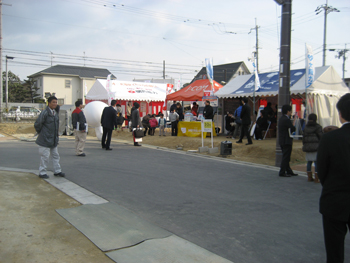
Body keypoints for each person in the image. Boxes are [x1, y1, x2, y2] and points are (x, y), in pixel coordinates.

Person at [317, 93, 350, 263]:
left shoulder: (330, 138)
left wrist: (330, 184)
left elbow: (321, 170)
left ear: (340, 114)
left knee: (335, 252)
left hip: (334, 200)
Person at [34, 96, 65, 179]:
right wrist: (42, 133)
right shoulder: (45, 113)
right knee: (45, 156)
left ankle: (57, 171)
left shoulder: (55, 113)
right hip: (45, 140)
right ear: (49, 103)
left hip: (53, 140)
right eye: (53, 102)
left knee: (56, 156)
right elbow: (37, 124)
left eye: (56, 102)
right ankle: (42, 172)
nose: (55, 104)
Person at [278, 104, 298, 177]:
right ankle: (282, 171)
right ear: (288, 111)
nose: (291, 112)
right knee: (286, 157)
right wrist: (293, 125)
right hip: (286, 140)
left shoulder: (281, 118)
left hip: (282, 140)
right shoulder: (286, 120)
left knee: (285, 156)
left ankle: (288, 170)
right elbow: (292, 128)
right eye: (290, 111)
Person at [302, 113, 323, 182]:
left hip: (308, 147)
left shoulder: (306, 127)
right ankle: (317, 178)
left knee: (309, 162)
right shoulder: (318, 127)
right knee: (316, 162)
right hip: (316, 147)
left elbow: (303, 138)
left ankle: (309, 177)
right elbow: (321, 137)